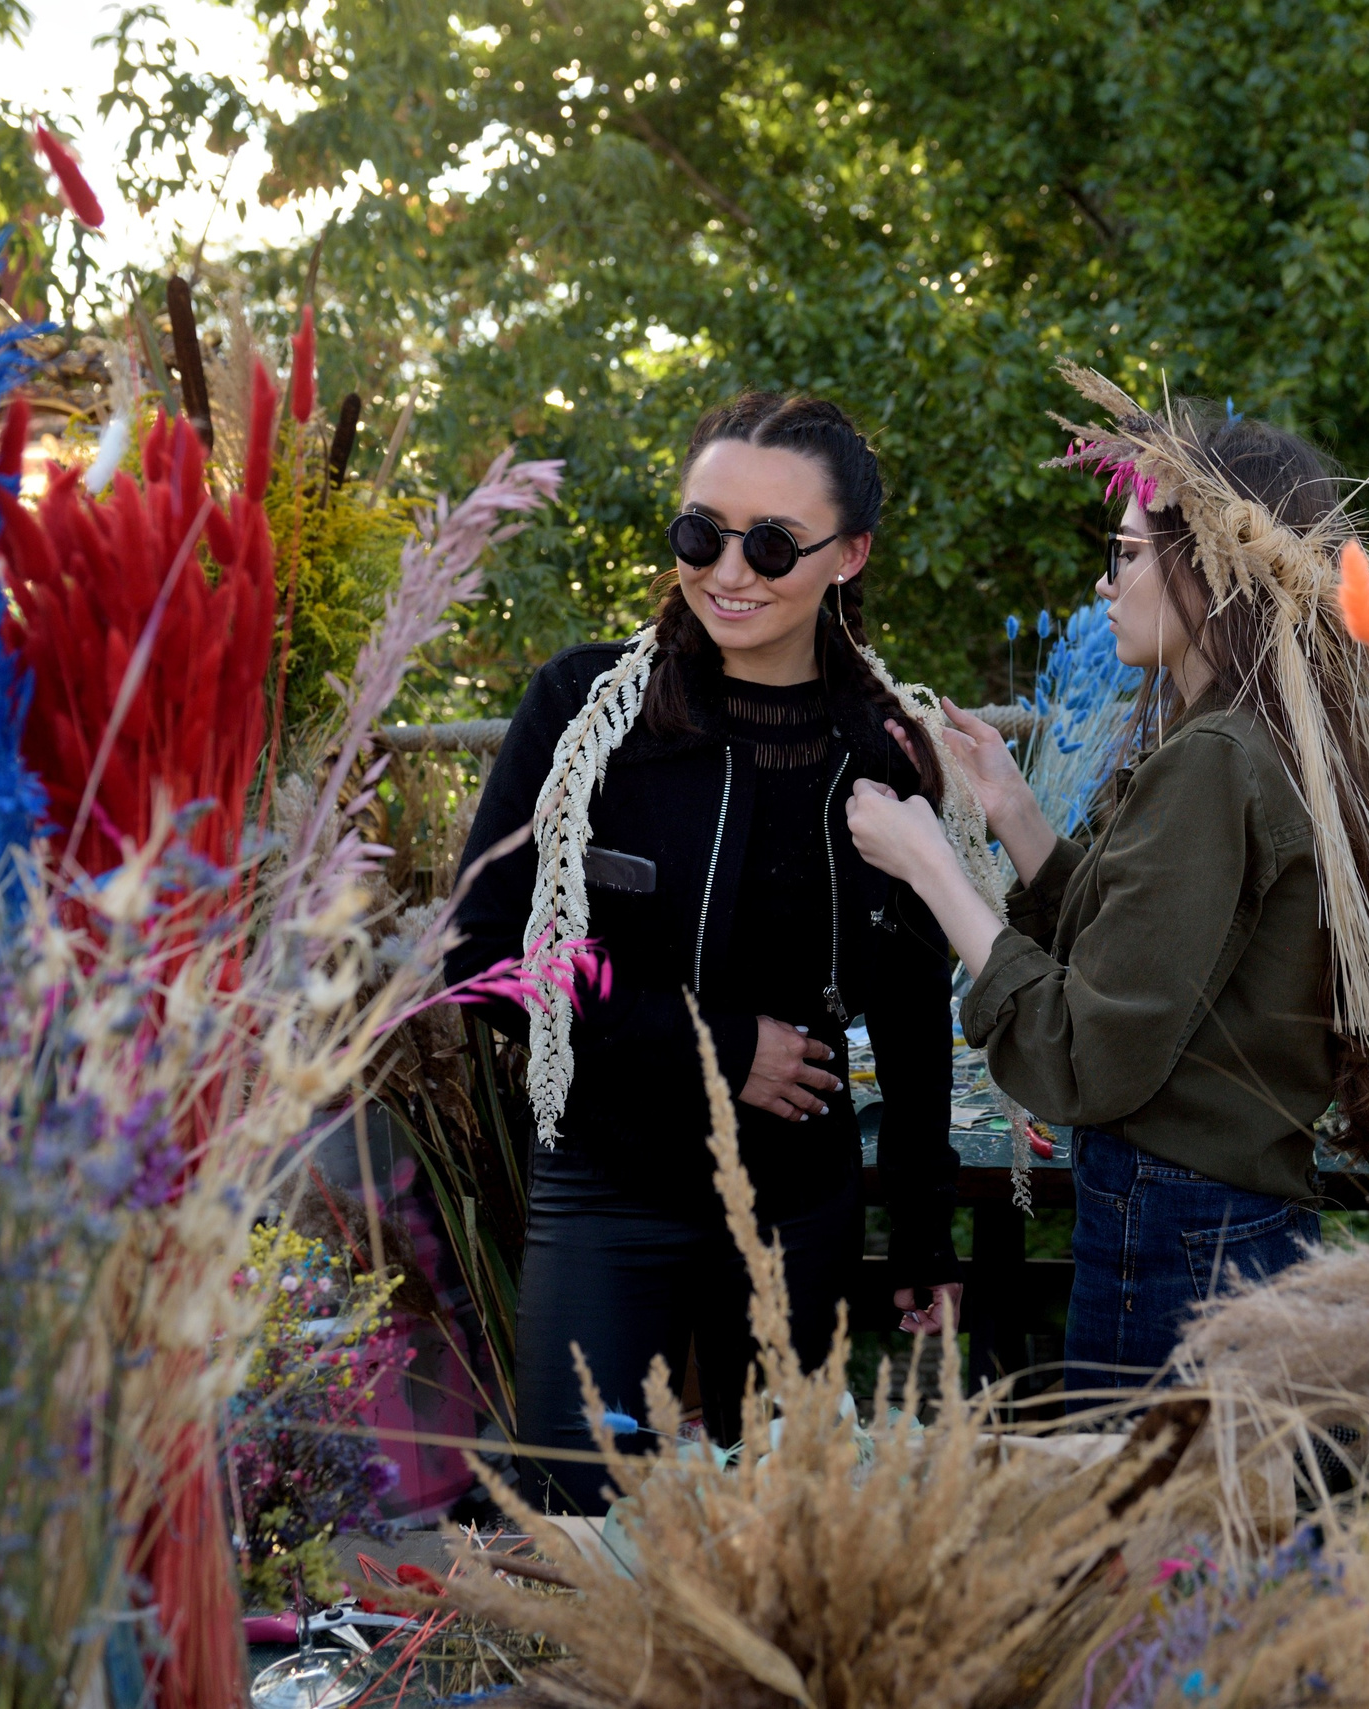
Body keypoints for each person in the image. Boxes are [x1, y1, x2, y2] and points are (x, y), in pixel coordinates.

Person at [845, 365, 1369, 1392]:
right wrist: (1016, 816)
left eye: (1124, 554)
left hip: (1178, 1233)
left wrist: (936, 870)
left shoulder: (1215, 759)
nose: (1102, 582)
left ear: (1207, 571)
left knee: (1152, 1534)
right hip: (1221, 1216)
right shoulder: (1252, 739)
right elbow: (1157, 951)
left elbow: (1090, 1054)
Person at [446, 393, 967, 1511]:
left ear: (849, 554)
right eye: (700, 532)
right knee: (582, 1517)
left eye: (772, 543)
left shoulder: (880, 747)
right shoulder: (586, 713)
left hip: (798, 1204)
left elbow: (916, 995)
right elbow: (484, 951)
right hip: (608, 1181)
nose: (728, 569)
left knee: (773, 1533)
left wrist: (922, 1226)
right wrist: (714, 1046)